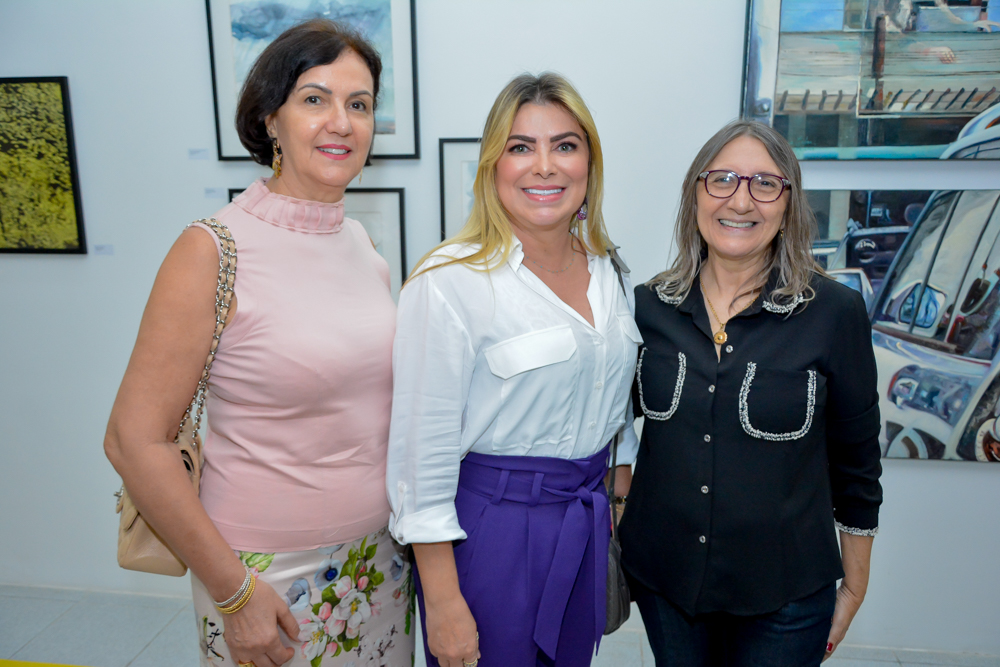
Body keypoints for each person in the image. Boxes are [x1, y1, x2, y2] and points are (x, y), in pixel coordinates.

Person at [104, 20, 414, 667]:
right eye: (314, 98)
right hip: (263, 572)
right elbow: (133, 440)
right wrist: (234, 591)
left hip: (380, 557)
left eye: (359, 104)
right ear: (269, 117)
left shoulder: (360, 246)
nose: (342, 121)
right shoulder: (212, 249)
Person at [385, 72, 642, 667]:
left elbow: (609, 392)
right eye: (521, 147)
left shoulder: (608, 270)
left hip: (582, 522)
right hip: (489, 532)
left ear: (589, 163)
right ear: (492, 166)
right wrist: (444, 602)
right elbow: (419, 461)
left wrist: (619, 488)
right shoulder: (449, 281)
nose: (544, 166)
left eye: (565, 145)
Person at [620, 119, 882, 666]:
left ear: (788, 204)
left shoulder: (833, 313)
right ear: (696, 194)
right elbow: (613, 433)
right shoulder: (648, 308)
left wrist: (854, 587)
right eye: (722, 180)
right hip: (666, 585)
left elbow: (857, 465)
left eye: (765, 184)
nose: (741, 200)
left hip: (785, 597)